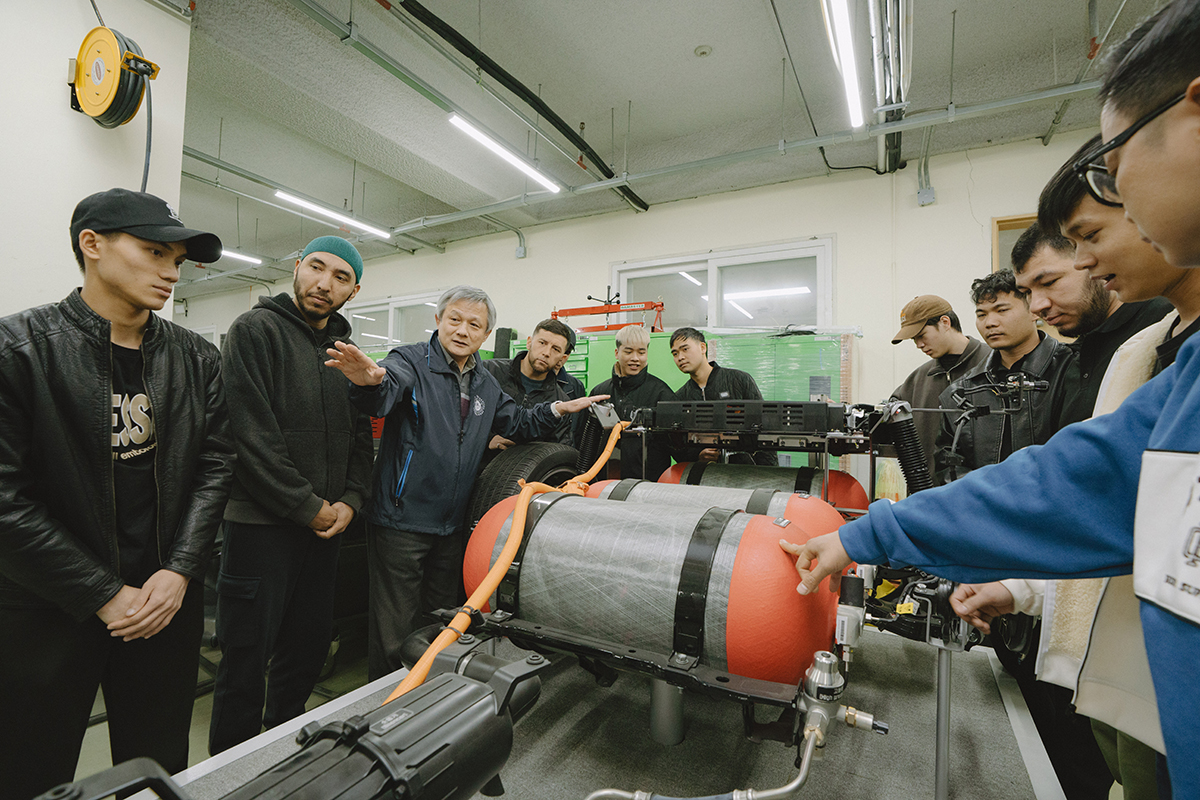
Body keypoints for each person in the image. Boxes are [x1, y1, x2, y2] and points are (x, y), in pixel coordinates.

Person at [780, 7, 1200, 794]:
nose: (1086, 260)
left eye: (1110, 172)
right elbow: (1091, 481)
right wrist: (891, 534)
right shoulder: (1172, 363)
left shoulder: (1130, 353)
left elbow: (1072, 484)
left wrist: (883, 532)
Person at [954, 150, 1200, 800]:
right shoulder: (1108, 354)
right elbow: (1064, 485)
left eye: (1090, 244)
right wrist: (1021, 584)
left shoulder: (1152, 340)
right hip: (1088, 608)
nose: (1037, 305)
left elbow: (1094, 490)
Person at [0, 188, 235, 798]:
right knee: (30, 764)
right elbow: (5, 498)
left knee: (156, 766)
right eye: (155, 251)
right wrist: (101, 591)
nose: (170, 272)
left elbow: (217, 464)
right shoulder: (19, 351)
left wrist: (180, 570)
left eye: (178, 260)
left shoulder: (196, 358)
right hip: (50, 602)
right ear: (92, 244)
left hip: (162, 600)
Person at [324, 285, 606, 679]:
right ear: (438, 321)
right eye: (454, 319)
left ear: (486, 335)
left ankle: (434, 700)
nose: (462, 330)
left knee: (443, 623)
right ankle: (388, 707)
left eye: (475, 324)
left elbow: (519, 423)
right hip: (401, 520)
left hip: (452, 522)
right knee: (394, 632)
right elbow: (385, 391)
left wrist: (559, 407)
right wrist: (369, 381)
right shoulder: (410, 360)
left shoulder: (484, 383)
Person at [207, 236, 375, 755]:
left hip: (325, 528)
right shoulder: (254, 331)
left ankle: (285, 749)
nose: (325, 284)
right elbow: (249, 434)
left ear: (354, 290)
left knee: (305, 648)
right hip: (262, 525)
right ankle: (230, 767)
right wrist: (309, 507)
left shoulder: (342, 350)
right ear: (296, 266)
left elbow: (359, 435)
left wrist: (351, 499)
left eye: (341, 277)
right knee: (245, 656)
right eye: (317, 268)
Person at [1011, 218, 1170, 427]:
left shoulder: (1165, 325)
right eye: (1027, 292)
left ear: (1090, 262)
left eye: (1049, 282)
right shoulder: (1072, 355)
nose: (1036, 306)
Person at [932, 270, 1074, 483]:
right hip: (984, 510)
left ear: (1034, 311)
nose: (990, 322)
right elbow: (947, 469)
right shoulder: (961, 392)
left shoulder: (1071, 369)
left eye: (1001, 310)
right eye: (982, 314)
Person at [889, 295, 989, 478]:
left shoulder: (993, 364)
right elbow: (887, 417)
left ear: (945, 322)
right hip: (930, 493)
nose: (919, 345)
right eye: (914, 340)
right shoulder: (918, 379)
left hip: (984, 493)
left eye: (921, 336)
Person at [669, 326, 775, 466]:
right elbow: (677, 446)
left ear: (702, 347)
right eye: (675, 353)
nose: (680, 357)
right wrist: (698, 456)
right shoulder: (680, 397)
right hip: (706, 478)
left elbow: (765, 429)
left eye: (685, 349)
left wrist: (769, 475)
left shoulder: (738, 380)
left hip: (746, 473)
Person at [592, 324, 676, 479]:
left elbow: (676, 444)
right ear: (617, 353)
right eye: (628, 351)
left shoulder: (662, 394)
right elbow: (589, 442)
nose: (635, 358)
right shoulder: (600, 393)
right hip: (605, 483)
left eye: (641, 352)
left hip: (649, 484)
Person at [483, 318, 577, 451]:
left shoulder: (560, 403)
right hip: (479, 467)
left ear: (562, 358)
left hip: (526, 471)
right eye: (542, 343)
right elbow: (461, 418)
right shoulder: (489, 372)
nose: (546, 353)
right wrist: (488, 439)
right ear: (529, 342)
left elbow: (559, 452)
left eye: (555, 349)